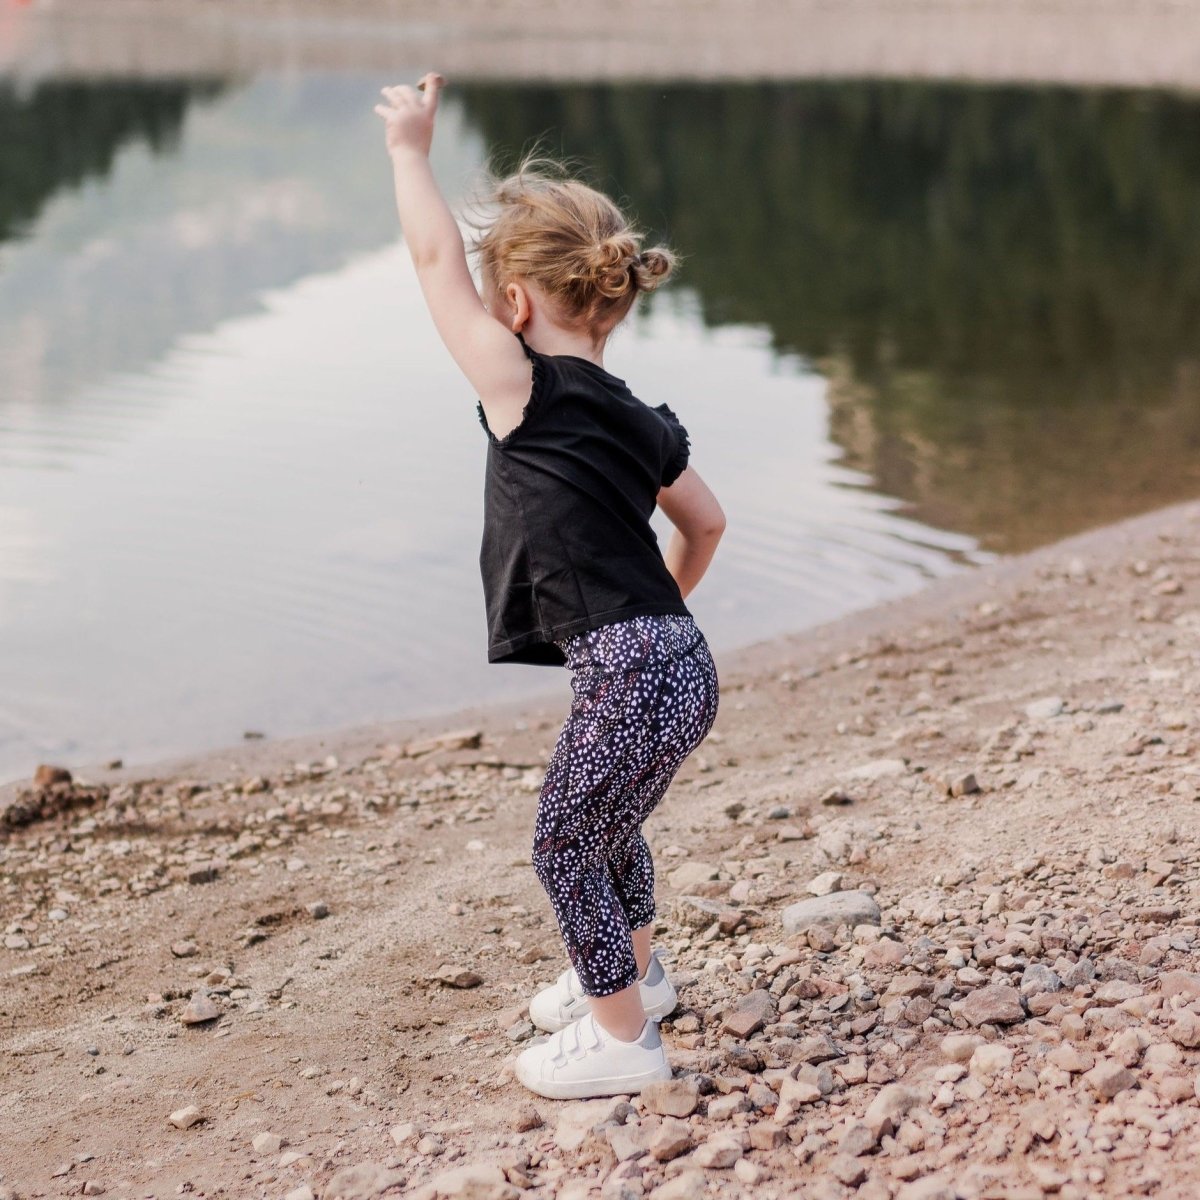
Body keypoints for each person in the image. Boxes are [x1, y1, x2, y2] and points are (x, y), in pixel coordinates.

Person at [376, 73, 725, 1100]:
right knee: (611, 827)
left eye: (495, 300)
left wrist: (408, 150)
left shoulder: (520, 385)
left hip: (629, 665)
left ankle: (624, 1042)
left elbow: (433, 260)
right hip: (682, 661)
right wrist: (659, 622)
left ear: (518, 304)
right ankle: (637, 980)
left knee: (566, 844)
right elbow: (706, 522)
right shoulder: (639, 415)